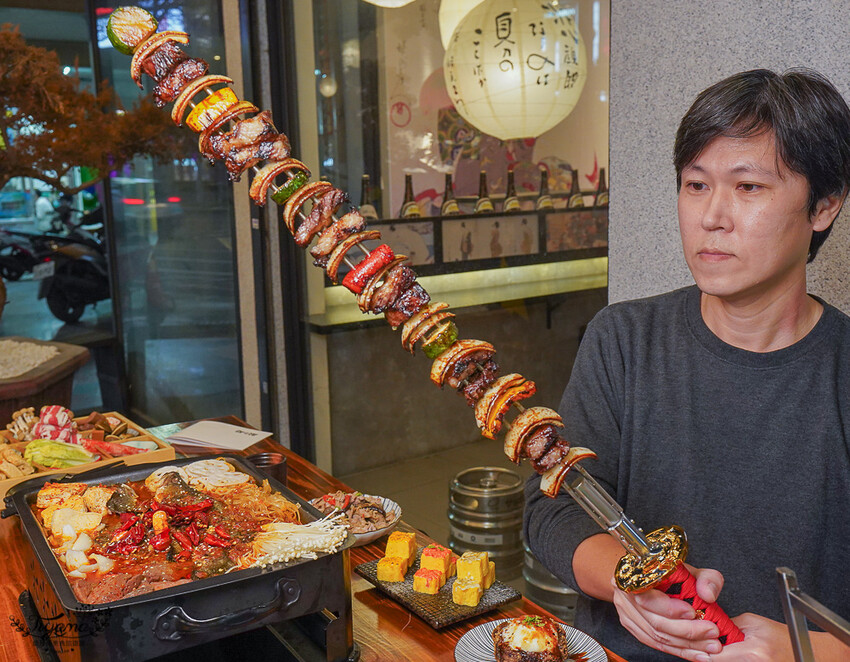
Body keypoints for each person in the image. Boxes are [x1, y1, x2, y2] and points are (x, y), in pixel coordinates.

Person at [524, 68, 850, 662]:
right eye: (695, 185)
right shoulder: (624, 340)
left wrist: (806, 652)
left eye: (748, 187)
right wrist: (625, 581)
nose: (712, 216)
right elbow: (554, 506)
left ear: (824, 206)